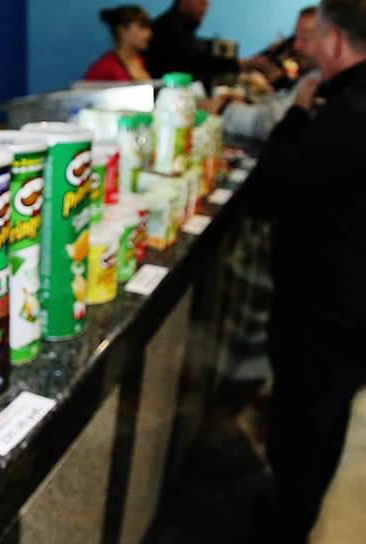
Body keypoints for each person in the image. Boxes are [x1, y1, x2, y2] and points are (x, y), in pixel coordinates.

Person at [247, 1, 366, 542]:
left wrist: (296, 115)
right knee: (326, 418)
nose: (306, 48)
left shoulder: (347, 111)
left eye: (314, 37)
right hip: (348, 304)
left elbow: (272, 193)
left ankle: (287, 525)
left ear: (335, 39)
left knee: (307, 427)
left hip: (327, 307)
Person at [212, 7, 321, 140]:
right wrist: (248, 102)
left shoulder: (317, 79)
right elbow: (282, 104)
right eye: (296, 37)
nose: (296, 46)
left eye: (306, 38)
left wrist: (222, 109)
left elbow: (272, 123)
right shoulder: (311, 74)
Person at [146, 0, 266, 81]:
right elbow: (195, 61)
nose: (205, 9)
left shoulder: (180, 27)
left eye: (207, 4)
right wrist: (240, 64)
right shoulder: (170, 28)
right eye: (202, 3)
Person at [84, 5, 152, 81]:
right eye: (142, 27)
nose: (149, 33)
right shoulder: (103, 69)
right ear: (122, 30)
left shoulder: (139, 60)